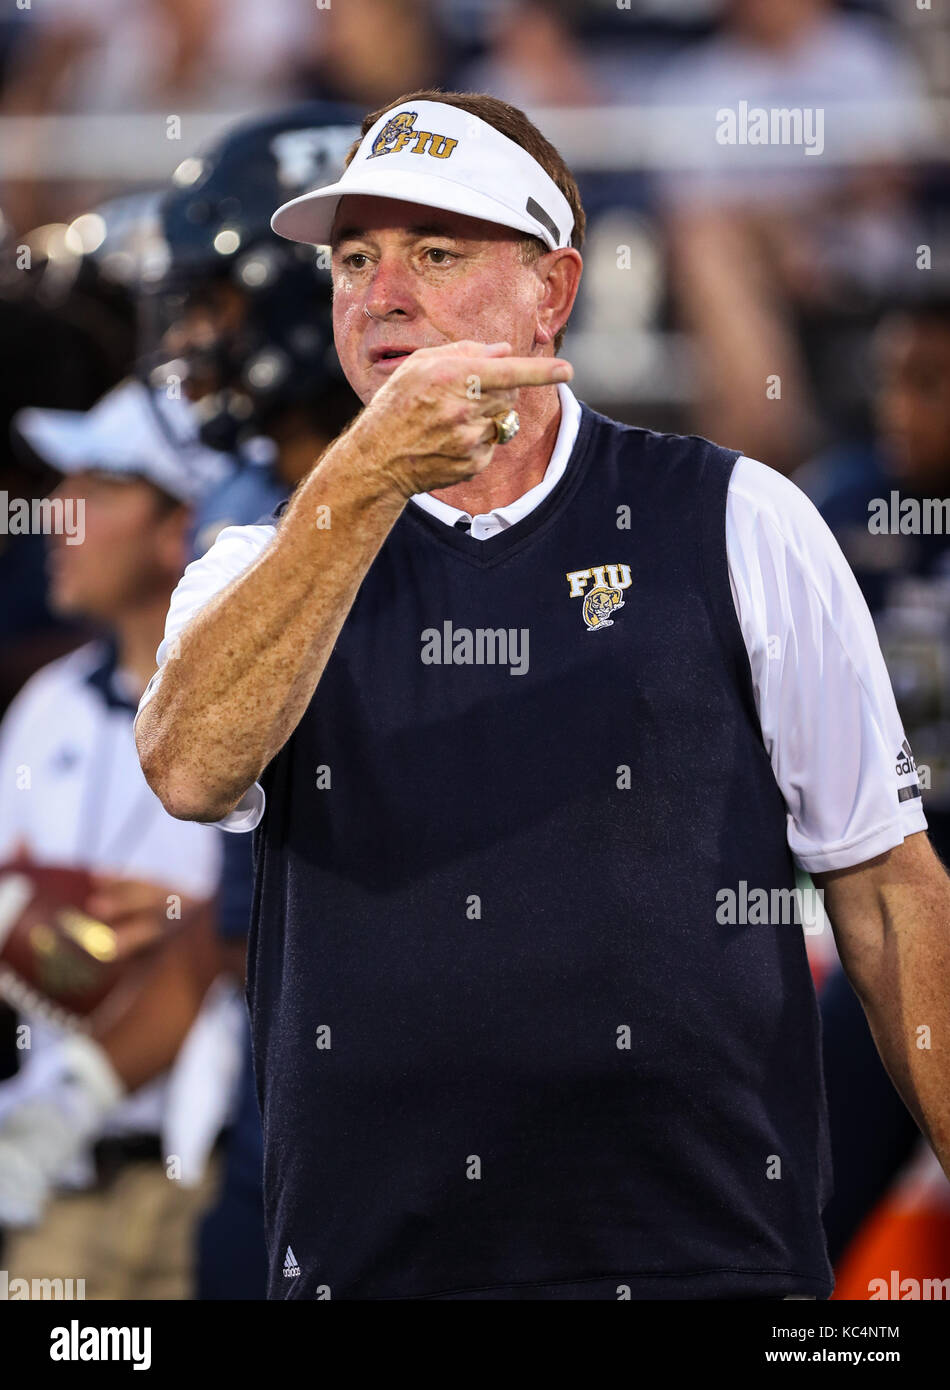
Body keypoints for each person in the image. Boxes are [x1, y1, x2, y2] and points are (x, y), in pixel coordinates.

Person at [135, 90, 950, 1301]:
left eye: (437, 252)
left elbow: (884, 890)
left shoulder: (739, 518)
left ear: (551, 291)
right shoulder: (260, 566)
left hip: (701, 1258)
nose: (381, 291)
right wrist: (359, 480)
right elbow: (189, 769)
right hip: (376, 1268)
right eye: (354, 257)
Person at [0, 377, 241, 1299]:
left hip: (208, 1176)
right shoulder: (46, 706)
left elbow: (253, 930)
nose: (56, 512)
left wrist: (190, 920)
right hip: (55, 1177)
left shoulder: (260, 713)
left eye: (98, 488)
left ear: (183, 524)